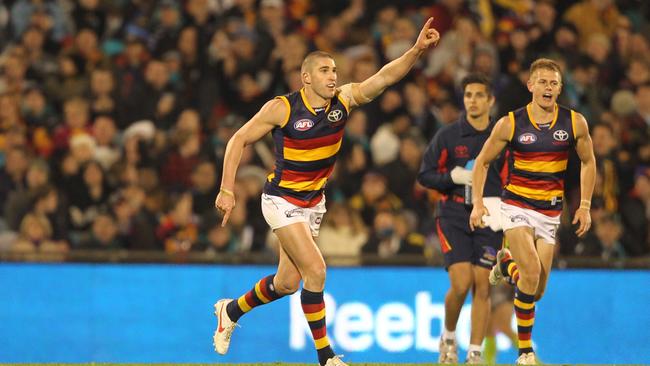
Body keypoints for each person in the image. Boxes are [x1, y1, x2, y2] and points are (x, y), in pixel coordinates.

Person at [212, 18, 440, 366]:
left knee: (287, 283)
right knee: (316, 272)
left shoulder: (344, 100)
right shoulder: (283, 107)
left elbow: (385, 77)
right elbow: (238, 139)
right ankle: (326, 357)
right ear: (306, 78)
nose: (333, 76)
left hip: (312, 202)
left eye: (334, 70)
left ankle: (230, 310)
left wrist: (416, 51)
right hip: (281, 199)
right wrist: (227, 188)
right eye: (324, 70)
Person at [469, 58, 596, 365]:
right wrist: (478, 203)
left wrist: (585, 206)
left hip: (551, 212)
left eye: (553, 83)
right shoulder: (510, 123)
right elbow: (482, 162)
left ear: (560, 88)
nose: (548, 88)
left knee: (536, 291)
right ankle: (525, 352)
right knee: (532, 273)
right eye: (542, 82)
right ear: (530, 86)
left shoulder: (574, 122)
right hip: (516, 206)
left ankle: (505, 264)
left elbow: (589, 162)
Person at [418, 74, 505, 364]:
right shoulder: (448, 135)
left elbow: (513, 177)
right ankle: (449, 336)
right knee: (461, 283)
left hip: (490, 215)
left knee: (483, 283)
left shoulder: (502, 136)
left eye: (479, 95)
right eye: (468, 95)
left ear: (491, 100)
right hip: (454, 213)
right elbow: (425, 174)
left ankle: (475, 353)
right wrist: (449, 178)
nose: (473, 100)